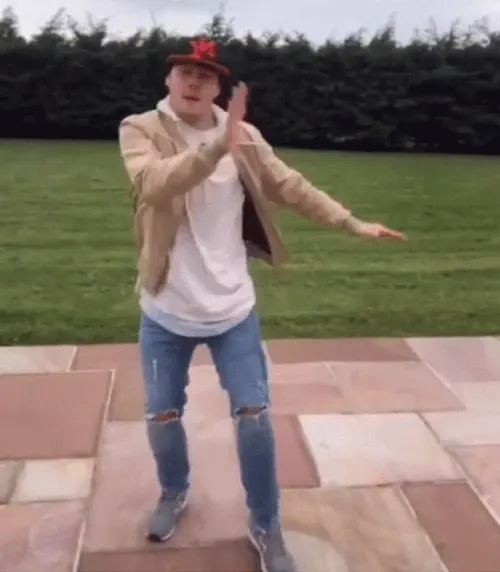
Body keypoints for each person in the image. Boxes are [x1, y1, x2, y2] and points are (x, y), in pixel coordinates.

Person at [118, 38, 406, 572]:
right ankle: (174, 492)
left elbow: (290, 186)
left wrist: (352, 222)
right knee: (162, 415)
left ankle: (266, 524)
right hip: (167, 309)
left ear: (219, 87)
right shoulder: (141, 129)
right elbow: (153, 184)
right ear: (169, 79)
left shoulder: (244, 136)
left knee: (254, 418)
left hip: (233, 310)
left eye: (206, 75)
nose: (194, 82)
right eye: (185, 72)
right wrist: (215, 147)